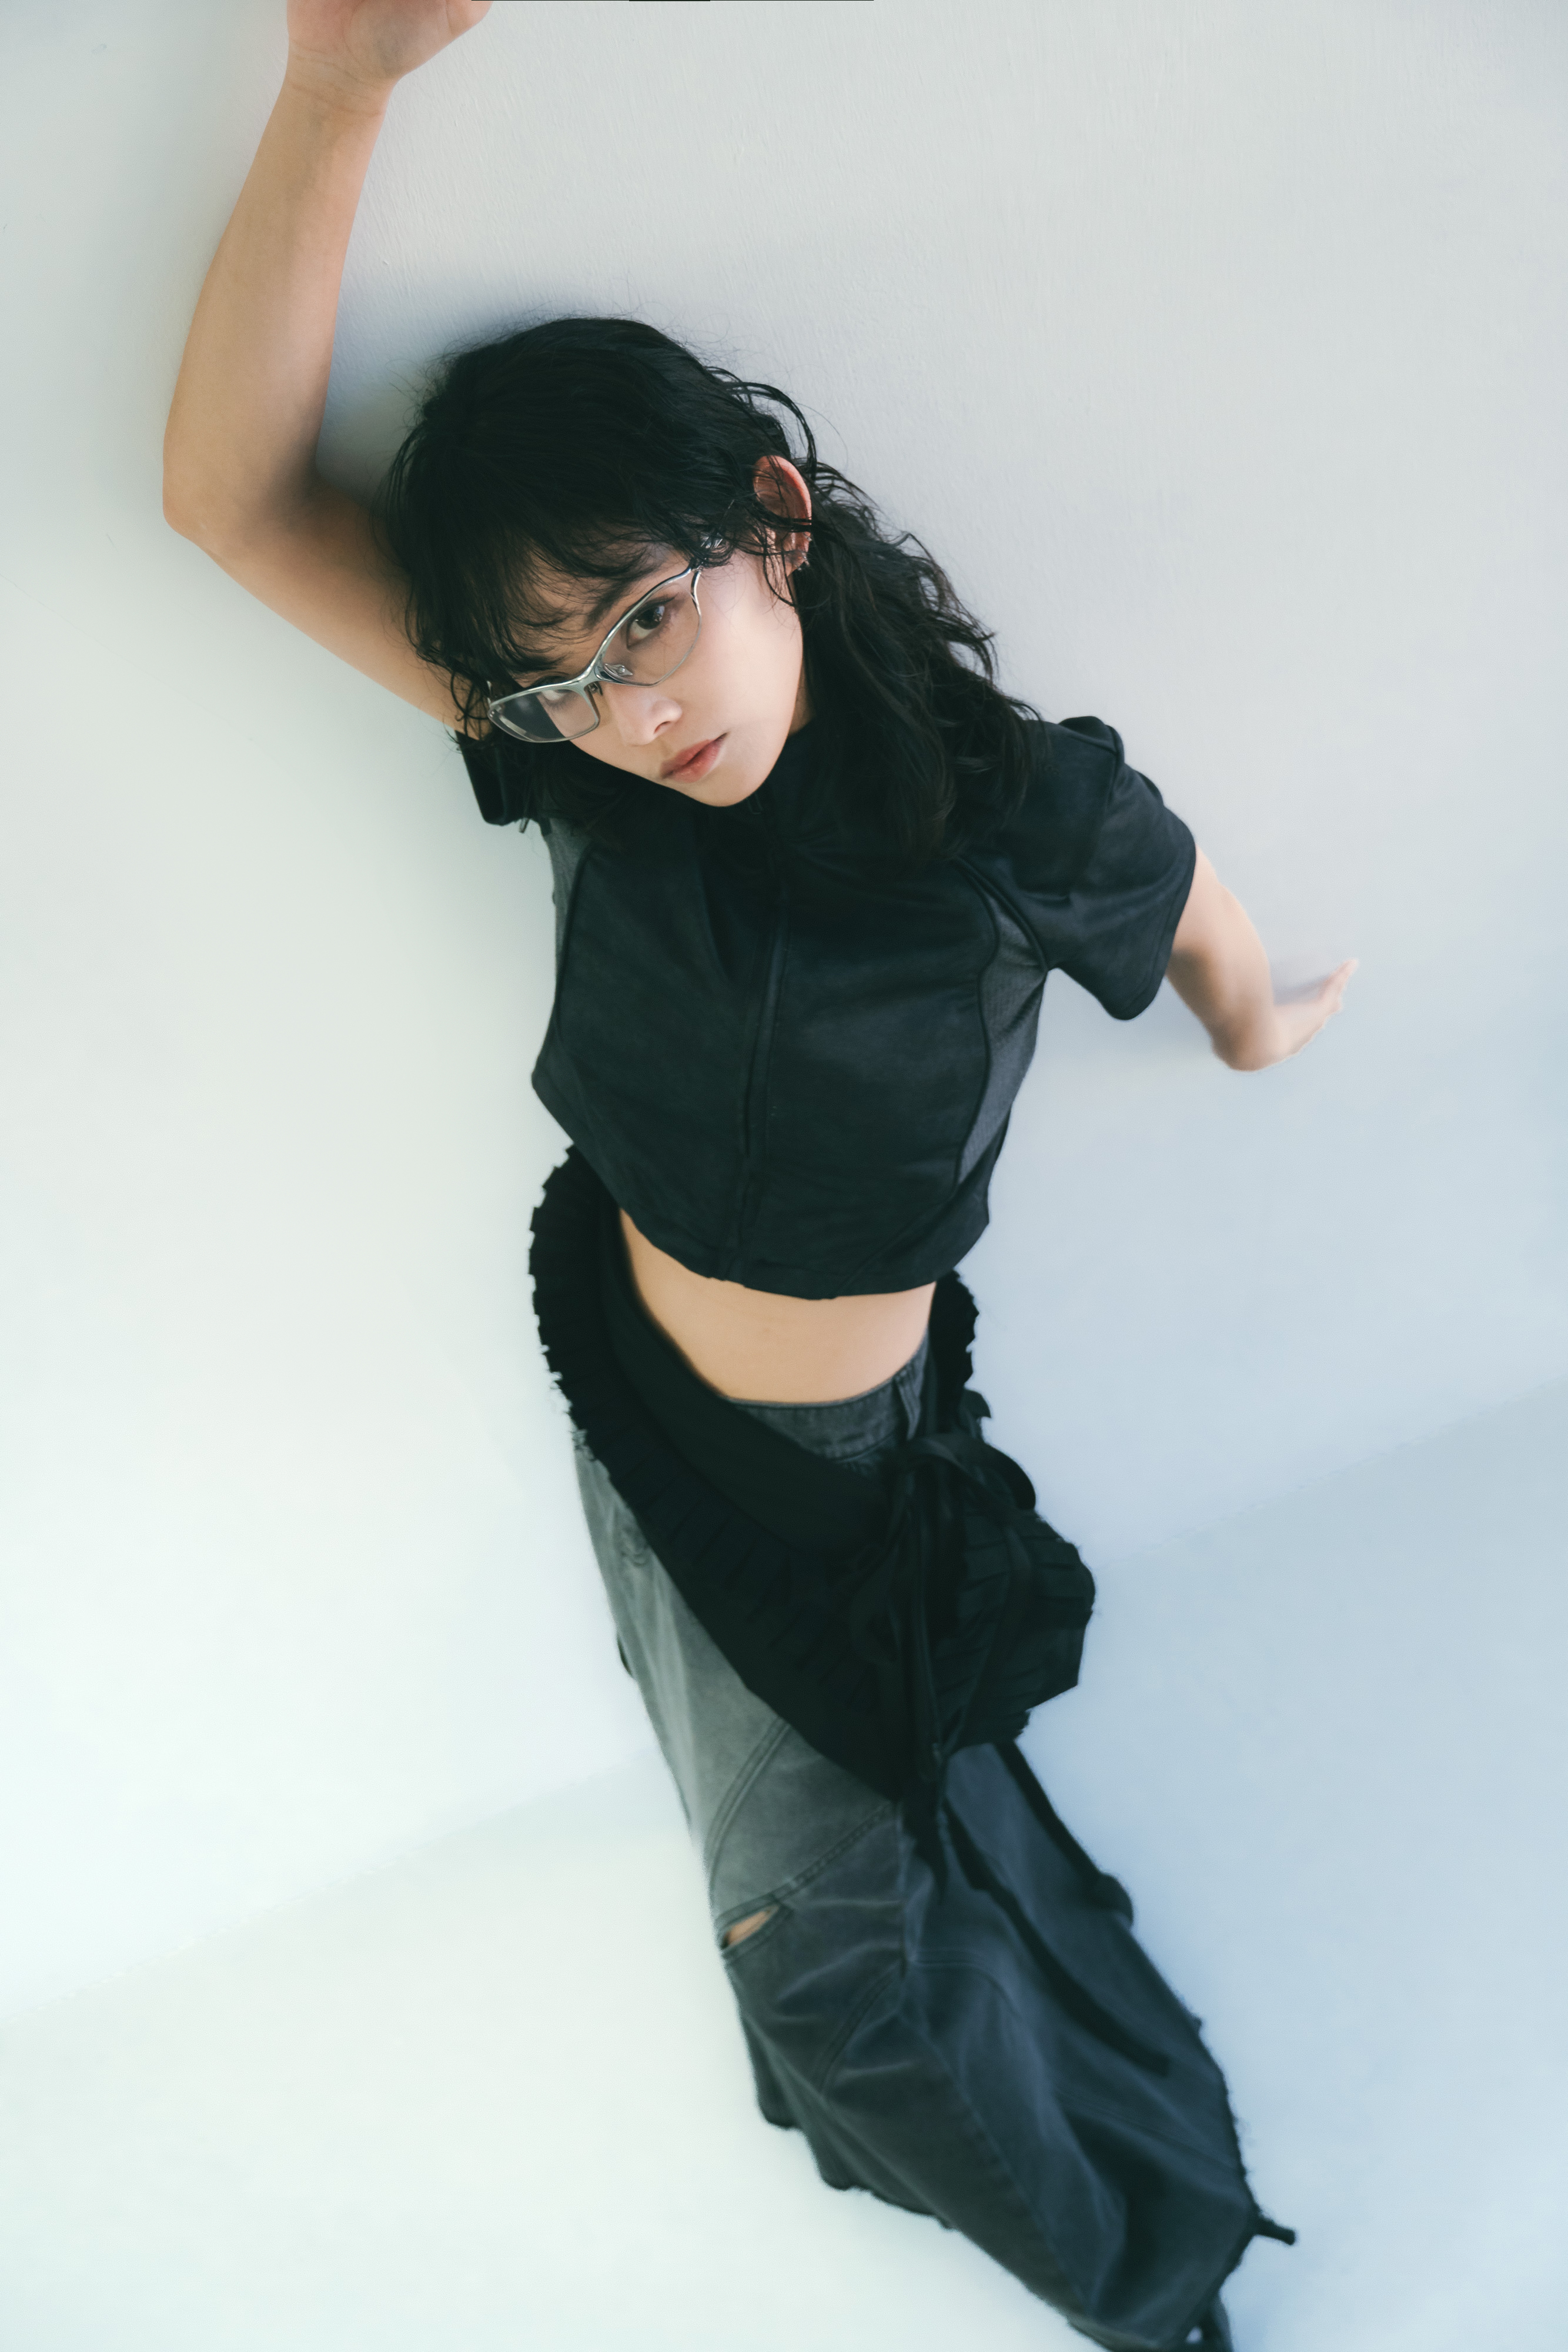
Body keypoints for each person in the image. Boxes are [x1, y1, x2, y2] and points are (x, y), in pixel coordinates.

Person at [163, 6, 1354, 2346]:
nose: (635, 708)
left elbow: (1185, 890)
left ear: (771, 523)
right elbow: (229, 502)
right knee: (815, 1871)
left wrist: (1245, 1015)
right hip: (622, 1373)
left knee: (821, 1972)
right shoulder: (600, 770)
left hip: (829, 1477)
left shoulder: (1011, 811)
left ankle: (1149, 2285)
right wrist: (334, 92)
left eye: (646, 615)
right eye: (562, 679)